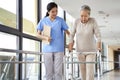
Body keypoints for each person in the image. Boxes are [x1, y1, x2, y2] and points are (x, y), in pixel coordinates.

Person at [37, 2, 70, 80]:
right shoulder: (43, 21)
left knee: (58, 72)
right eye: (53, 11)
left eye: (56, 11)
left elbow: (68, 33)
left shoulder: (61, 20)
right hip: (47, 49)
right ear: (48, 12)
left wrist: (71, 42)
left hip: (59, 49)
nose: (55, 13)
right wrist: (45, 38)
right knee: (48, 72)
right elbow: (37, 34)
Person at [68, 5, 101, 80]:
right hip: (80, 51)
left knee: (89, 71)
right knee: (82, 71)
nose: (83, 18)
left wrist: (99, 47)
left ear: (89, 15)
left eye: (85, 16)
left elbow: (98, 36)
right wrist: (70, 46)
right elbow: (72, 34)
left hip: (91, 51)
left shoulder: (93, 21)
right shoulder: (76, 21)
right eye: (81, 16)